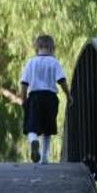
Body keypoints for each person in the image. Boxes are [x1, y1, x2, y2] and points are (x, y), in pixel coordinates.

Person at [19, 35, 72, 164]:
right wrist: (68, 95)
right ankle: (44, 157)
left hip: (35, 97)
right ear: (52, 48)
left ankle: (33, 141)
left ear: (36, 48)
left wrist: (24, 99)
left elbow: (24, 83)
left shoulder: (31, 62)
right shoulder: (54, 62)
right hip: (50, 97)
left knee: (31, 127)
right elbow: (61, 80)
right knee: (48, 128)